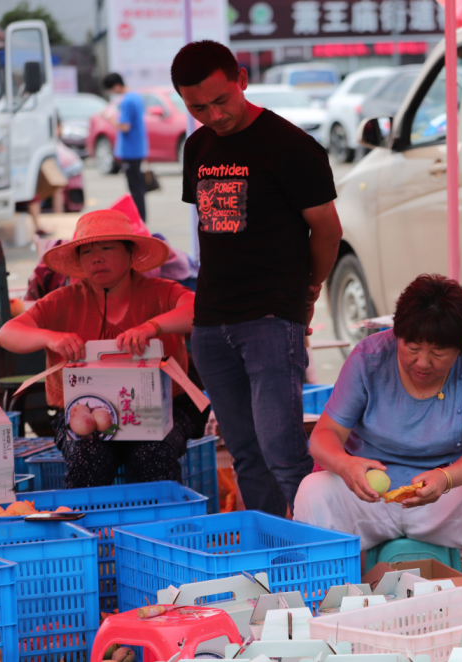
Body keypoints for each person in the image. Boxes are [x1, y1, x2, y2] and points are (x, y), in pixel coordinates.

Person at [172, 40, 343, 517]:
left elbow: (327, 230)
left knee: (284, 453)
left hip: (270, 318)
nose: (214, 114)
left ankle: (318, 549)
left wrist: (309, 290)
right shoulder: (197, 147)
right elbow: (214, 229)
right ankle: (270, 551)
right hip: (210, 323)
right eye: (197, 107)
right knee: (246, 453)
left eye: (221, 100)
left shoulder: (292, 146)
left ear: (241, 79)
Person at [293, 275, 462, 562]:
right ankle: (325, 595)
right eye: (413, 347)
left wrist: (445, 478)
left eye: (438, 352)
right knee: (313, 490)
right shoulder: (369, 358)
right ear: (397, 334)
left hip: (442, 500)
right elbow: (323, 436)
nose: (422, 362)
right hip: (369, 500)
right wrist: (346, 465)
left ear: (461, 348)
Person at [0, 210, 207, 488]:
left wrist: (153, 327)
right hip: (81, 415)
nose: (96, 257)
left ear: (131, 253)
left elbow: (199, 310)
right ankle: (89, 530)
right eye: (87, 252)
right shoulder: (62, 301)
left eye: (107, 248)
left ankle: (162, 527)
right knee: (88, 456)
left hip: (163, 412)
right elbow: (6, 334)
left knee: (150, 454)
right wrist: (50, 338)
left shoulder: (160, 292)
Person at [102, 73, 149, 222]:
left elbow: (125, 126)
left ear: (116, 86)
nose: (111, 93)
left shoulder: (127, 101)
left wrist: (109, 118)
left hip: (130, 150)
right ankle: (141, 219)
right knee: (138, 187)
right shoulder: (136, 96)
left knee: (135, 189)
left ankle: (139, 220)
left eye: (111, 90)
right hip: (138, 148)